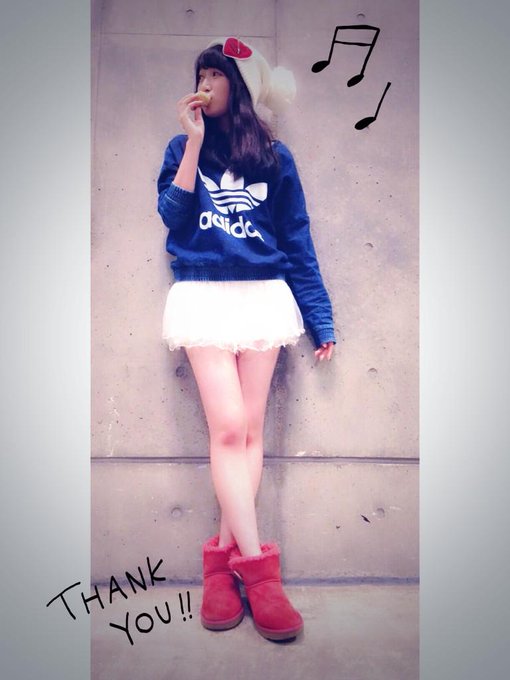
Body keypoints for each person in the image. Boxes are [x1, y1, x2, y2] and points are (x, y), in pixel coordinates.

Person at [157, 37, 336, 642]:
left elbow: (297, 239)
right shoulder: (182, 147)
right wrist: (194, 144)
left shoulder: (275, 158)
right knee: (229, 428)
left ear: (240, 86)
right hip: (203, 293)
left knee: (252, 432)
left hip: (264, 295)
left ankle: (220, 566)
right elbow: (172, 215)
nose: (204, 84)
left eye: (216, 75)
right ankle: (259, 573)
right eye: (200, 74)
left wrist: (321, 318)